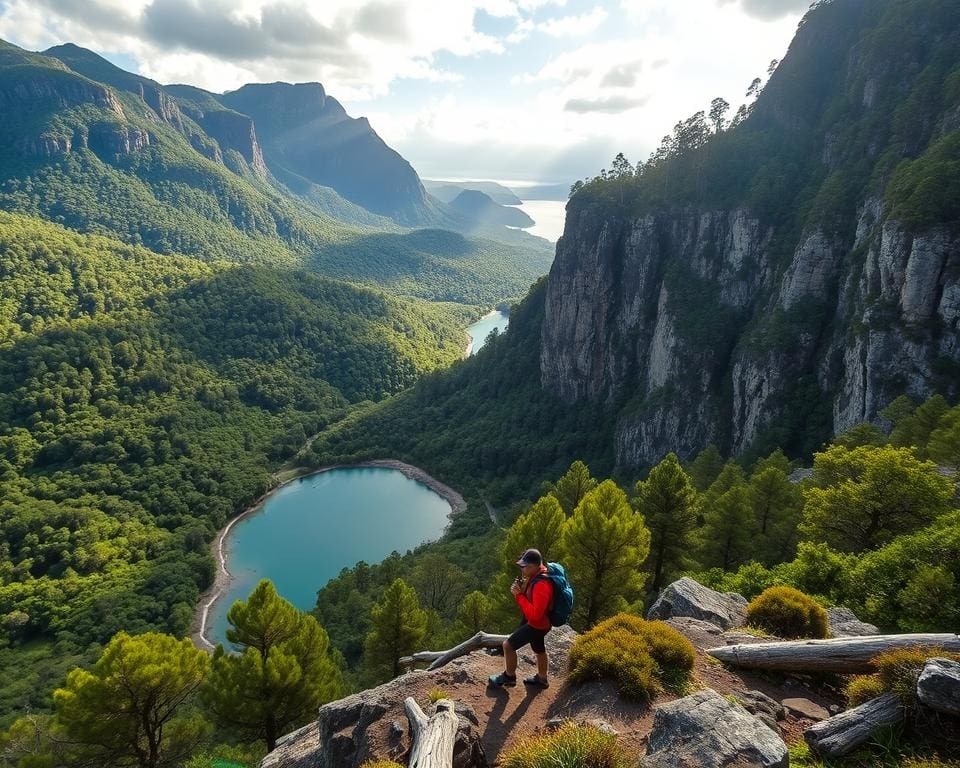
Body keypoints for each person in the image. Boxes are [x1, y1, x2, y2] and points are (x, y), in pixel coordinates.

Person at [488, 548, 552, 689]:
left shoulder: (541, 584)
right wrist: (522, 590)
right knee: (539, 648)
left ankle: (509, 676)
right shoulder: (537, 576)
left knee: (508, 645)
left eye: (524, 566)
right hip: (542, 623)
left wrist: (519, 596)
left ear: (533, 566)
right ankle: (542, 679)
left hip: (537, 625)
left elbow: (536, 614)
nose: (522, 569)